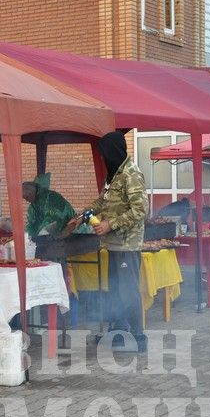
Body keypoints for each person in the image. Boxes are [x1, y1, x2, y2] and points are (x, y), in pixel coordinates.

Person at [70, 132, 148, 352]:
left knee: (128, 291)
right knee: (115, 289)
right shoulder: (114, 175)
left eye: (105, 155)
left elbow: (140, 210)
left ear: (114, 152)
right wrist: (84, 214)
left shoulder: (131, 174)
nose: (103, 159)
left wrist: (110, 224)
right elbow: (101, 200)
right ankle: (120, 332)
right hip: (113, 244)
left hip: (127, 244)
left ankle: (138, 338)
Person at [21, 173, 75, 240]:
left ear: (31, 193)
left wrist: (41, 235)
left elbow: (51, 221)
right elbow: (32, 224)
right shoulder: (33, 206)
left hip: (71, 236)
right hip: (53, 239)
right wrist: (29, 237)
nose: (26, 200)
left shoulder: (50, 198)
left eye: (26, 197)